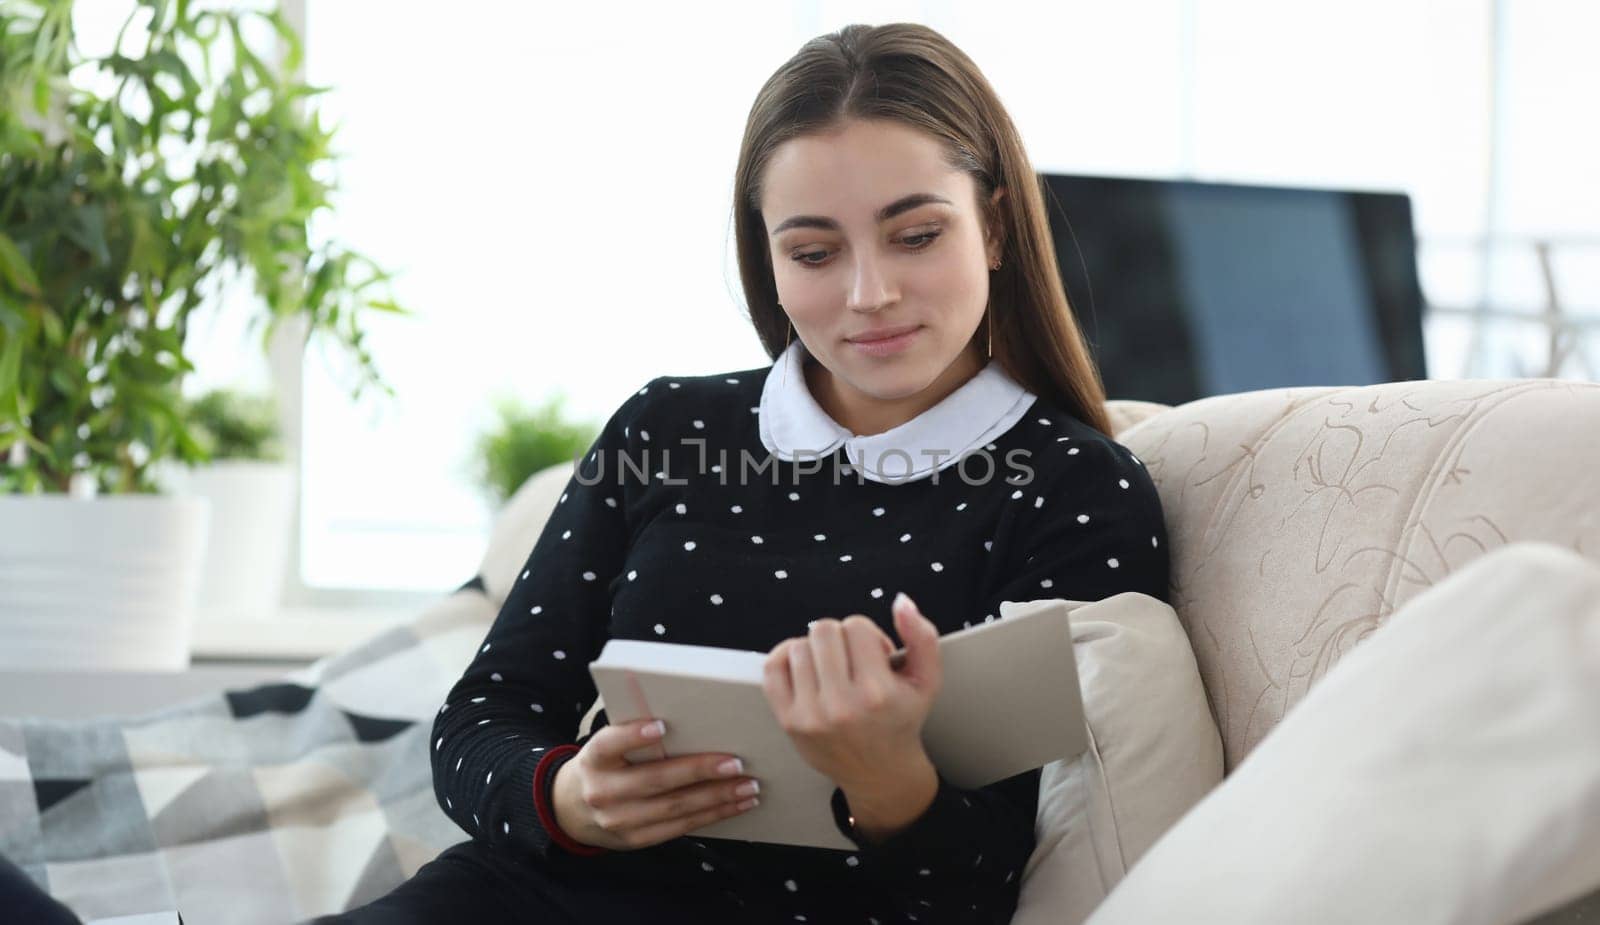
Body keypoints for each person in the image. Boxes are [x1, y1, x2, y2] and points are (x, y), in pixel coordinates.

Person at [314, 21, 1170, 925]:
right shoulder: (667, 428)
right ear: (767, 256)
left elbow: (986, 887)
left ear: (994, 225)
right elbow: (482, 718)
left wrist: (888, 783)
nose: (868, 293)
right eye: (813, 252)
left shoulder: (1074, 491)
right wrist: (568, 796)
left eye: (915, 235)